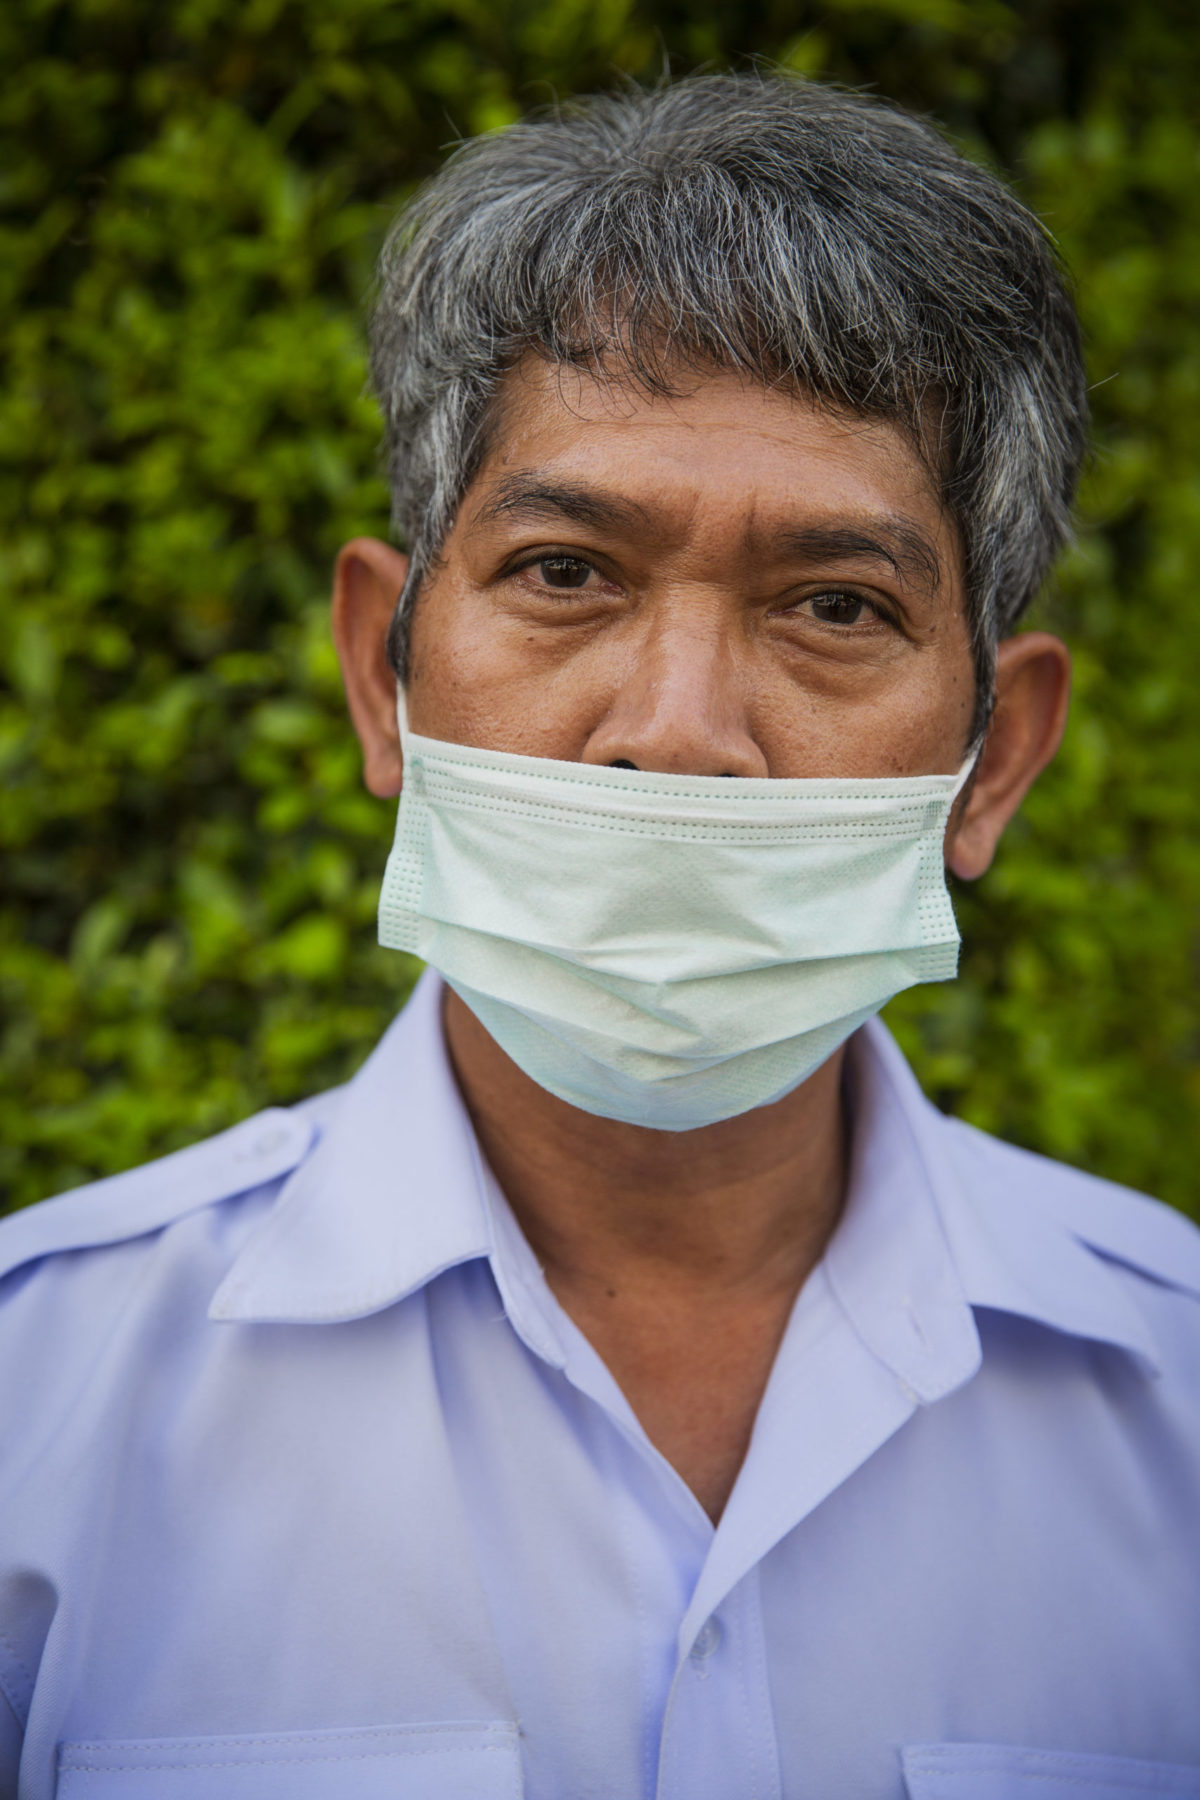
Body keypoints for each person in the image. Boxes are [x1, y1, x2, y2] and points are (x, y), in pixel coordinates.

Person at [1, 73, 1197, 1800]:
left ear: (990, 761)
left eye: (838, 607)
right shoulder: (46, 1399)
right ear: (383, 676)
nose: (679, 728)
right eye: (567, 571)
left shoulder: (1174, 1391)